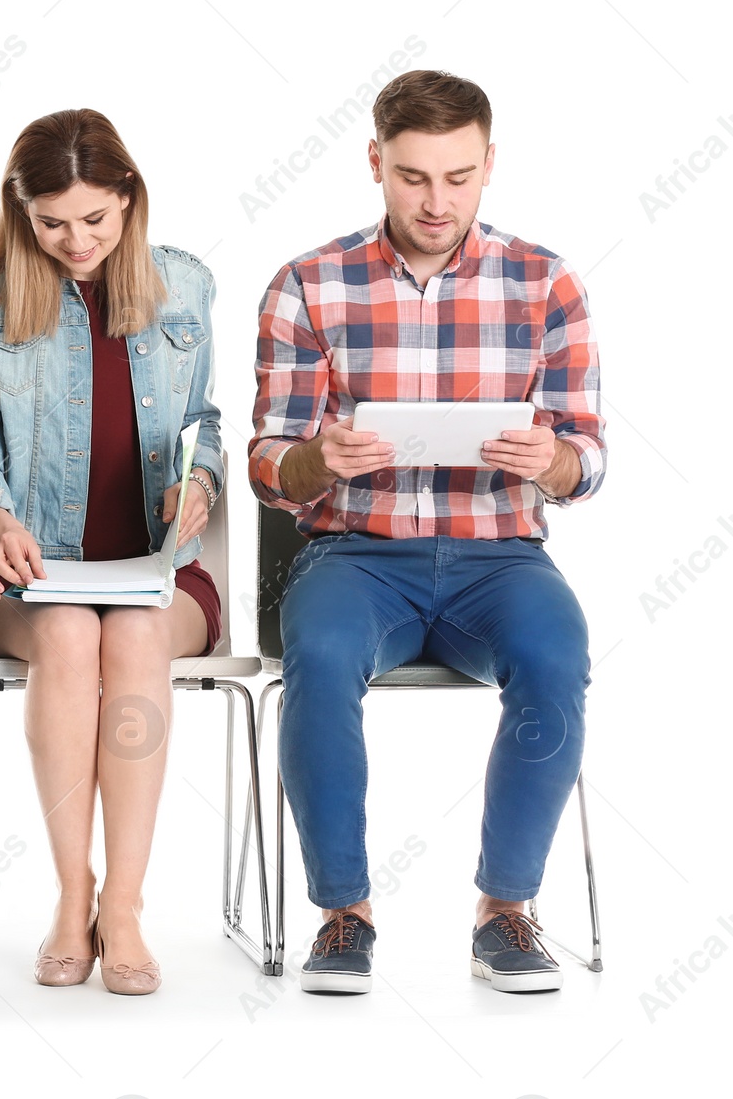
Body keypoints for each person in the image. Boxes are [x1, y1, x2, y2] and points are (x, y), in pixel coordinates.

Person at [249, 69, 605, 995]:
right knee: (319, 656)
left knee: (558, 654)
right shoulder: (308, 285)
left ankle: (506, 909)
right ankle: (344, 912)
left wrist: (550, 461)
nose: (436, 201)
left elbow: (587, 458)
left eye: (457, 177)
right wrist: (317, 460)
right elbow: (268, 462)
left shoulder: (547, 283)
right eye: (412, 177)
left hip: (501, 557)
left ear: (490, 164)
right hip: (355, 555)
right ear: (376, 163)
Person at [0, 110, 224, 995]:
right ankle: (74, 899)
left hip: (155, 576)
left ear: (128, 201)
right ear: (20, 209)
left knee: (133, 640)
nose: (76, 241)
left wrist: (202, 484)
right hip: (26, 578)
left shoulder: (185, 286)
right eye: (53, 222)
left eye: (96, 221)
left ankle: (128, 907)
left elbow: (204, 425)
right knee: (70, 637)